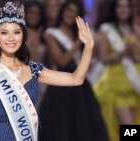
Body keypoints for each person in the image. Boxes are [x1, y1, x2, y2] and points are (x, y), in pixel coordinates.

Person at [0, 0, 94, 140]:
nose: (11, 38)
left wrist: (88, 47)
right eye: (4, 32)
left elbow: (76, 79)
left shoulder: (34, 69)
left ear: (23, 36)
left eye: (16, 32)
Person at [38, 1, 108, 141]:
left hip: (81, 87)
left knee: (85, 125)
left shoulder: (81, 34)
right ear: (63, 11)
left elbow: (90, 60)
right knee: (62, 127)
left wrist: (91, 44)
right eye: (69, 10)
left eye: (75, 12)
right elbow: (61, 61)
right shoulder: (52, 34)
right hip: (61, 86)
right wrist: (78, 41)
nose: (71, 14)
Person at [94, 0, 140, 140]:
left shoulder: (135, 29)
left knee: (132, 127)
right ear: (114, 9)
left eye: (127, 6)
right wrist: (122, 53)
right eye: (120, 6)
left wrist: (133, 54)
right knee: (129, 127)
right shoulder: (106, 29)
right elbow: (103, 58)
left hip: (134, 84)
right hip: (116, 85)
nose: (124, 9)